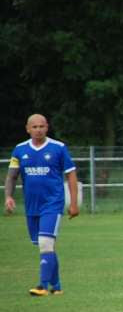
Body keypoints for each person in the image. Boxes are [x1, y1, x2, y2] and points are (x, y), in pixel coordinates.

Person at [5, 114, 79, 296]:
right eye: (35, 127)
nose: (39, 130)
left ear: (47, 127)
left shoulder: (58, 148)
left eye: (42, 126)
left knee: (45, 243)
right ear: (28, 129)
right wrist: (8, 196)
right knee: (46, 246)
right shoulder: (19, 150)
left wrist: (74, 203)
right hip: (32, 206)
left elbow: (71, 174)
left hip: (52, 204)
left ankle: (42, 286)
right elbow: (12, 175)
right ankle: (57, 286)